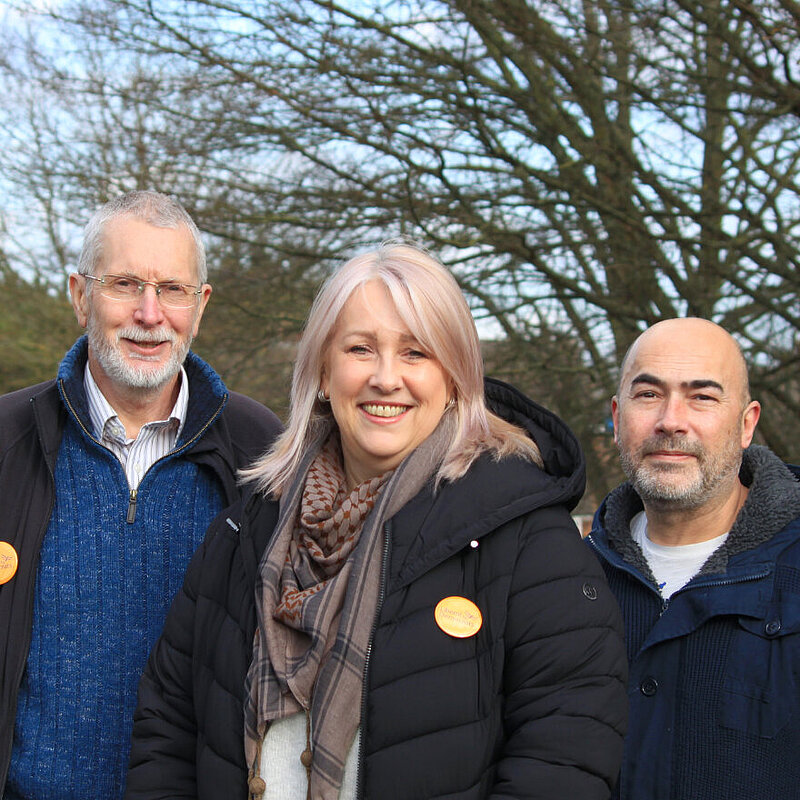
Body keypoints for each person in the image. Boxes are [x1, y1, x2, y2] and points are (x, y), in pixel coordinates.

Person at [126, 241, 628, 800]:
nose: (386, 378)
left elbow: (565, 759)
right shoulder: (244, 531)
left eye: (416, 353)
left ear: (456, 375)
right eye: (361, 349)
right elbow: (168, 729)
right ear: (322, 368)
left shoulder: (531, 542)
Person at [0, 190, 282, 800]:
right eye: (125, 284)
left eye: (173, 289)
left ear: (200, 305)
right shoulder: (5, 443)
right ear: (80, 295)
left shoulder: (266, 455)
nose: (150, 314)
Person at [588, 317, 800, 800]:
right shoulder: (567, 580)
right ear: (618, 419)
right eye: (649, 395)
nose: (670, 420)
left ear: (746, 424)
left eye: (702, 396)